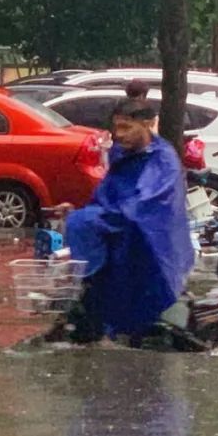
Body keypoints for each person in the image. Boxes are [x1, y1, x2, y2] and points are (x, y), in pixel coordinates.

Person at [62, 98, 194, 343]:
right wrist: (84, 213)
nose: (119, 135)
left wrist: (98, 219)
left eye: (126, 128)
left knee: (139, 311)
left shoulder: (163, 161)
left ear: (148, 124)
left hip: (151, 248)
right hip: (120, 240)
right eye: (116, 128)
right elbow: (108, 194)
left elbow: (144, 206)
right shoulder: (121, 155)